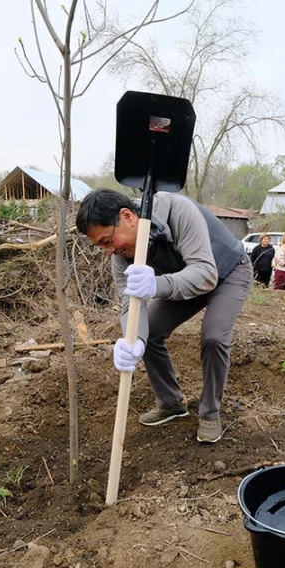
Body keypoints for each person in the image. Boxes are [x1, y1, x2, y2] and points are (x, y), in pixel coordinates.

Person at [76, 189, 252, 444]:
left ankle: (210, 413)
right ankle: (171, 403)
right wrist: (133, 339)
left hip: (227, 273)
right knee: (147, 332)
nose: (107, 251)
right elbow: (129, 305)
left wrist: (157, 285)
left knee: (213, 335)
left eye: (107, 241)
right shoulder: (121, 256)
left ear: (127, 216)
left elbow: (205, 274)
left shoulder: (178, 212)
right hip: (182, 282)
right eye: (100, 246)